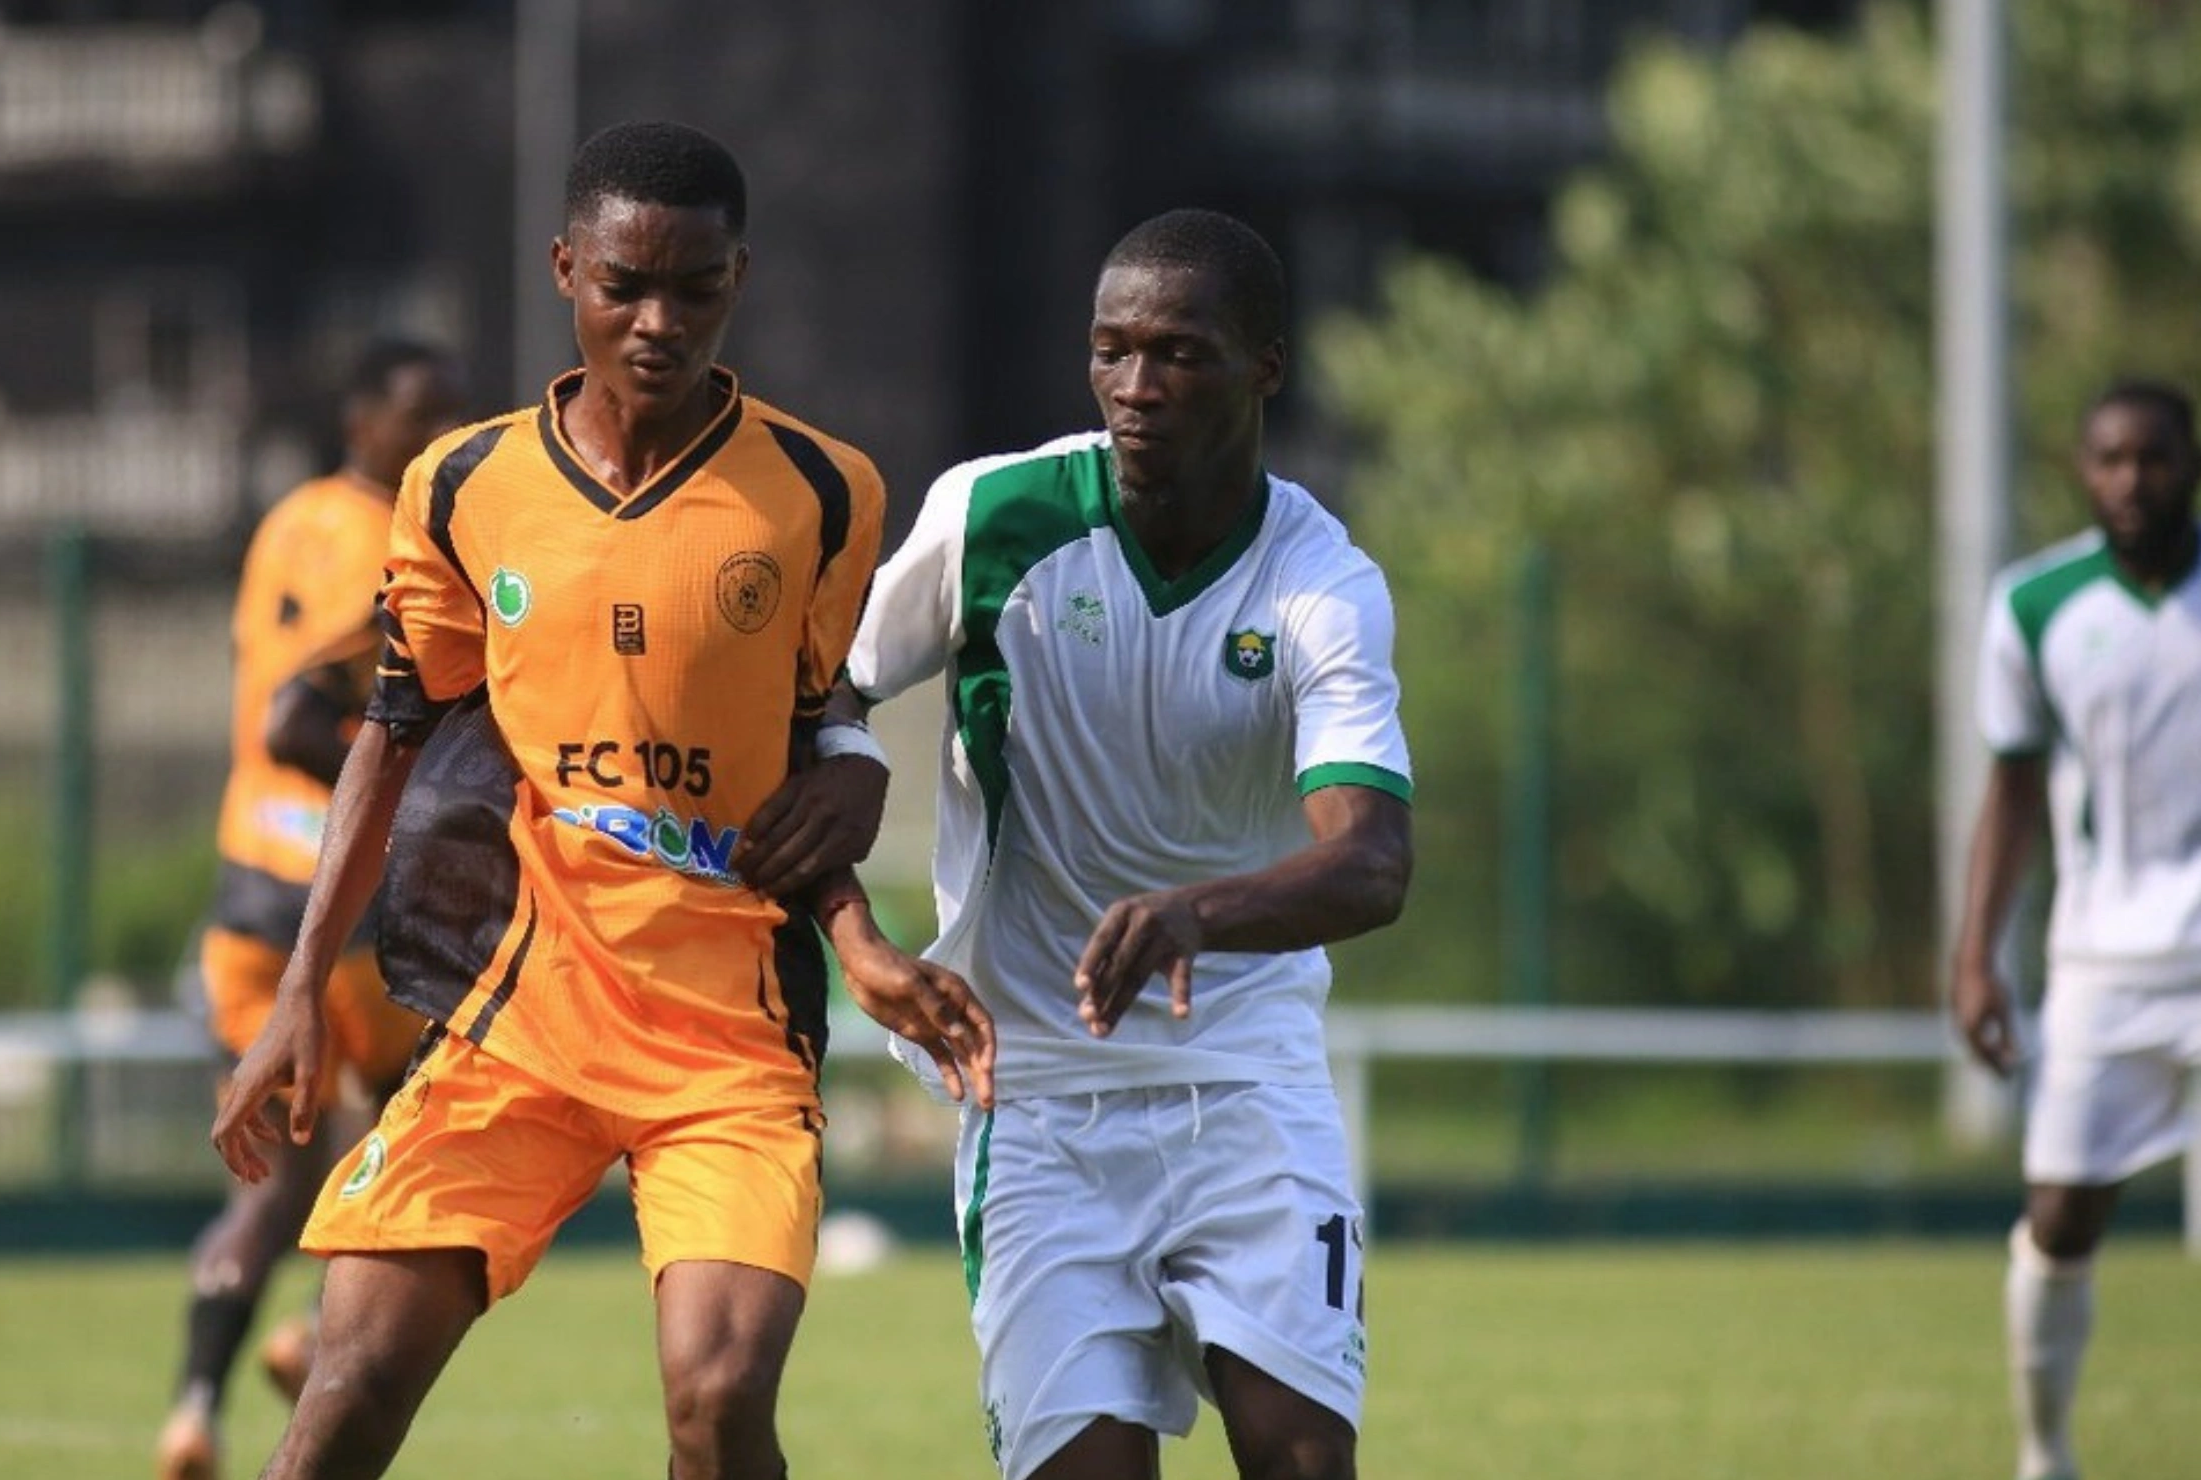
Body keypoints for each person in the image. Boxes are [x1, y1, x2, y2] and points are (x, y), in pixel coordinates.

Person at [210, 119, 993, 1480]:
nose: (657, 319)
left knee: (720, 1397)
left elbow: (814, 737)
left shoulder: (822, 491)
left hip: (727, 1037)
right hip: (519, 1020)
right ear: (566, 269)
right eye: (624, 283)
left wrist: (861, 935)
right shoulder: (465, 486)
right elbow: (390, 733)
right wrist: (296, 998)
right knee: (346, 1389)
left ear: (738, 279)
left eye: (695, 286)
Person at [832, 208, 1415, 1480]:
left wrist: (1200, 912)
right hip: (1033, 1093)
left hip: (1247, 1082)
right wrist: (859, 940)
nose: (1136, 388)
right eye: (1112, 352)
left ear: (1267, 364)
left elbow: (1373, 860)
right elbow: (820, 697)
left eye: (1180, 354)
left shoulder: (1321, 582)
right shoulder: (992, 516)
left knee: (1305, 1460)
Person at [157, 338, 466, 1480]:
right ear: (360, 422)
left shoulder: (286, 519)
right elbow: (306, 721)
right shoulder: (398, 541)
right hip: (350, 911)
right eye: (420, 415)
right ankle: (321, 1343)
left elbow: (262, 701)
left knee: (286, 1177)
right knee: (417, 1153)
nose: (439, 432)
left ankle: (195, 1404)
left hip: (247, 889)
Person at [1949, 378, 2201, 1480]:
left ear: (2189, 462)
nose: (2131, 478)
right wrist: (1974, 958)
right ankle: (2045, 1453)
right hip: (2102, 963)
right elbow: (2009, 791)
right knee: (2058, 1220)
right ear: (2081, 469)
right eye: (2109, 458)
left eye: (2152, 457)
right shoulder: (2038, 605)